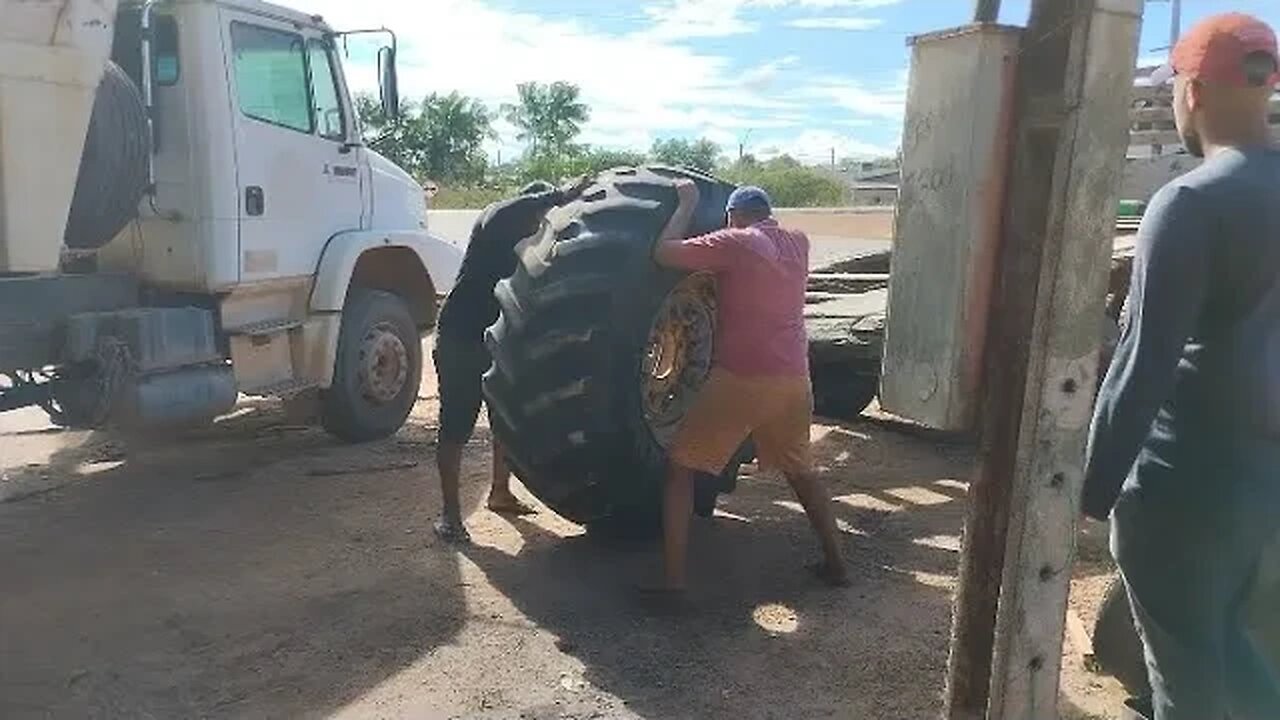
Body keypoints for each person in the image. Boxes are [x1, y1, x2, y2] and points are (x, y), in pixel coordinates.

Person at [1082, 13, 1280, 720]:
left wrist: (1090, 491)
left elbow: (1142, 366)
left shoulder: (1192, 201)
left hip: (1188, 491)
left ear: (1190, 91)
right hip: (1270, 489)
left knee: (1187, 684)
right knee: (1252, 666)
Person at [650, 182, 848, 595]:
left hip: (742, 378)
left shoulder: (734, 241)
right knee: (802, 471)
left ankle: (671, 582)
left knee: (680, 470)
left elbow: (664, 252)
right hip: (794, 377)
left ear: (733, 216)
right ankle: (837, 564)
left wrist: (686, 204)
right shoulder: (799, 241)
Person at [432, 178, 587, 543]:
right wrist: (560, 195)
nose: (539, 226)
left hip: (495, 340)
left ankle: (500, 492)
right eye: (537, 217)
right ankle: (450, 516)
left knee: (505, 420)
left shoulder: (526, 245)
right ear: (528, 209)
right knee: (456, 427)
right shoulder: (496, 220)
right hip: (460, 336)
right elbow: (507, 209)